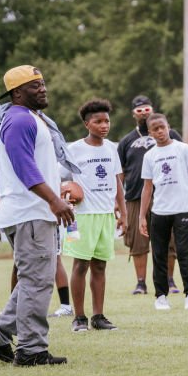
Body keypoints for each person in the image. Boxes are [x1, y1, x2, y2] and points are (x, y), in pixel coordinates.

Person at [0, 65, 77, 366]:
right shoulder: (18, 120)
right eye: (34, 85)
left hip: (32, 211)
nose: (42, 89)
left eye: (42, 83)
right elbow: (24, 167)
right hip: (29, 212)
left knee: (35, 279)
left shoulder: (31, 118)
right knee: (36, 282)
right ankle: (31, 350)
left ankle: (0, 333)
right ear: (17, 93)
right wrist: (54, 200)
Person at [62, 99, 127, 332]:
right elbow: (60, 179)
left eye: (106, 121)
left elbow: (117, 182)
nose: (104, 125)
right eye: (98, 121)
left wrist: (123, 212)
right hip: (82, 216)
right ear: (87, 124)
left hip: (105, 216)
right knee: (80, 265)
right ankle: (79, 318)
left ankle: (98, 316)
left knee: (100, 266)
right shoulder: (74, 149)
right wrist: (67, 192)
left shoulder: (111, 148)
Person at [139, 113, 188, 310]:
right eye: (155, 129)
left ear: (168, 126)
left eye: (162, 127)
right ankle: (160, 296)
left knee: (186, 254)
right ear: (150, 133)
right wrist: (142, 215)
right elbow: (147, 188)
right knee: (158, 255)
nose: (160, 131)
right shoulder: (149, 156)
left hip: (182, 209)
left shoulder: (182, 149)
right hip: (159, 212)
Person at [117, 95, 181, 295]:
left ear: (153, 110)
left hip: (167, 195)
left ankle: (170, 281)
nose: (144, 113)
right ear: (133, 114)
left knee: (170, 241)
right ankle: (141, 283)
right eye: (139, 110)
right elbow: (120, 172)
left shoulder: (172, 135)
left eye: (147, 109)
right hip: (136, 196)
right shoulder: (127, 140)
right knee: (138, 242)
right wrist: (118, 202)